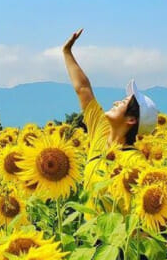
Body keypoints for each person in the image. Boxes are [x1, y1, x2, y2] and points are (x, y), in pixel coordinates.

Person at [63, 28, 159, 188]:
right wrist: (67, 52)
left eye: (123, 102)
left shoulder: (135, 162)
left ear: (131, 119)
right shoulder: (100, 131)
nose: (116, 102)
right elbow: (83, 89)